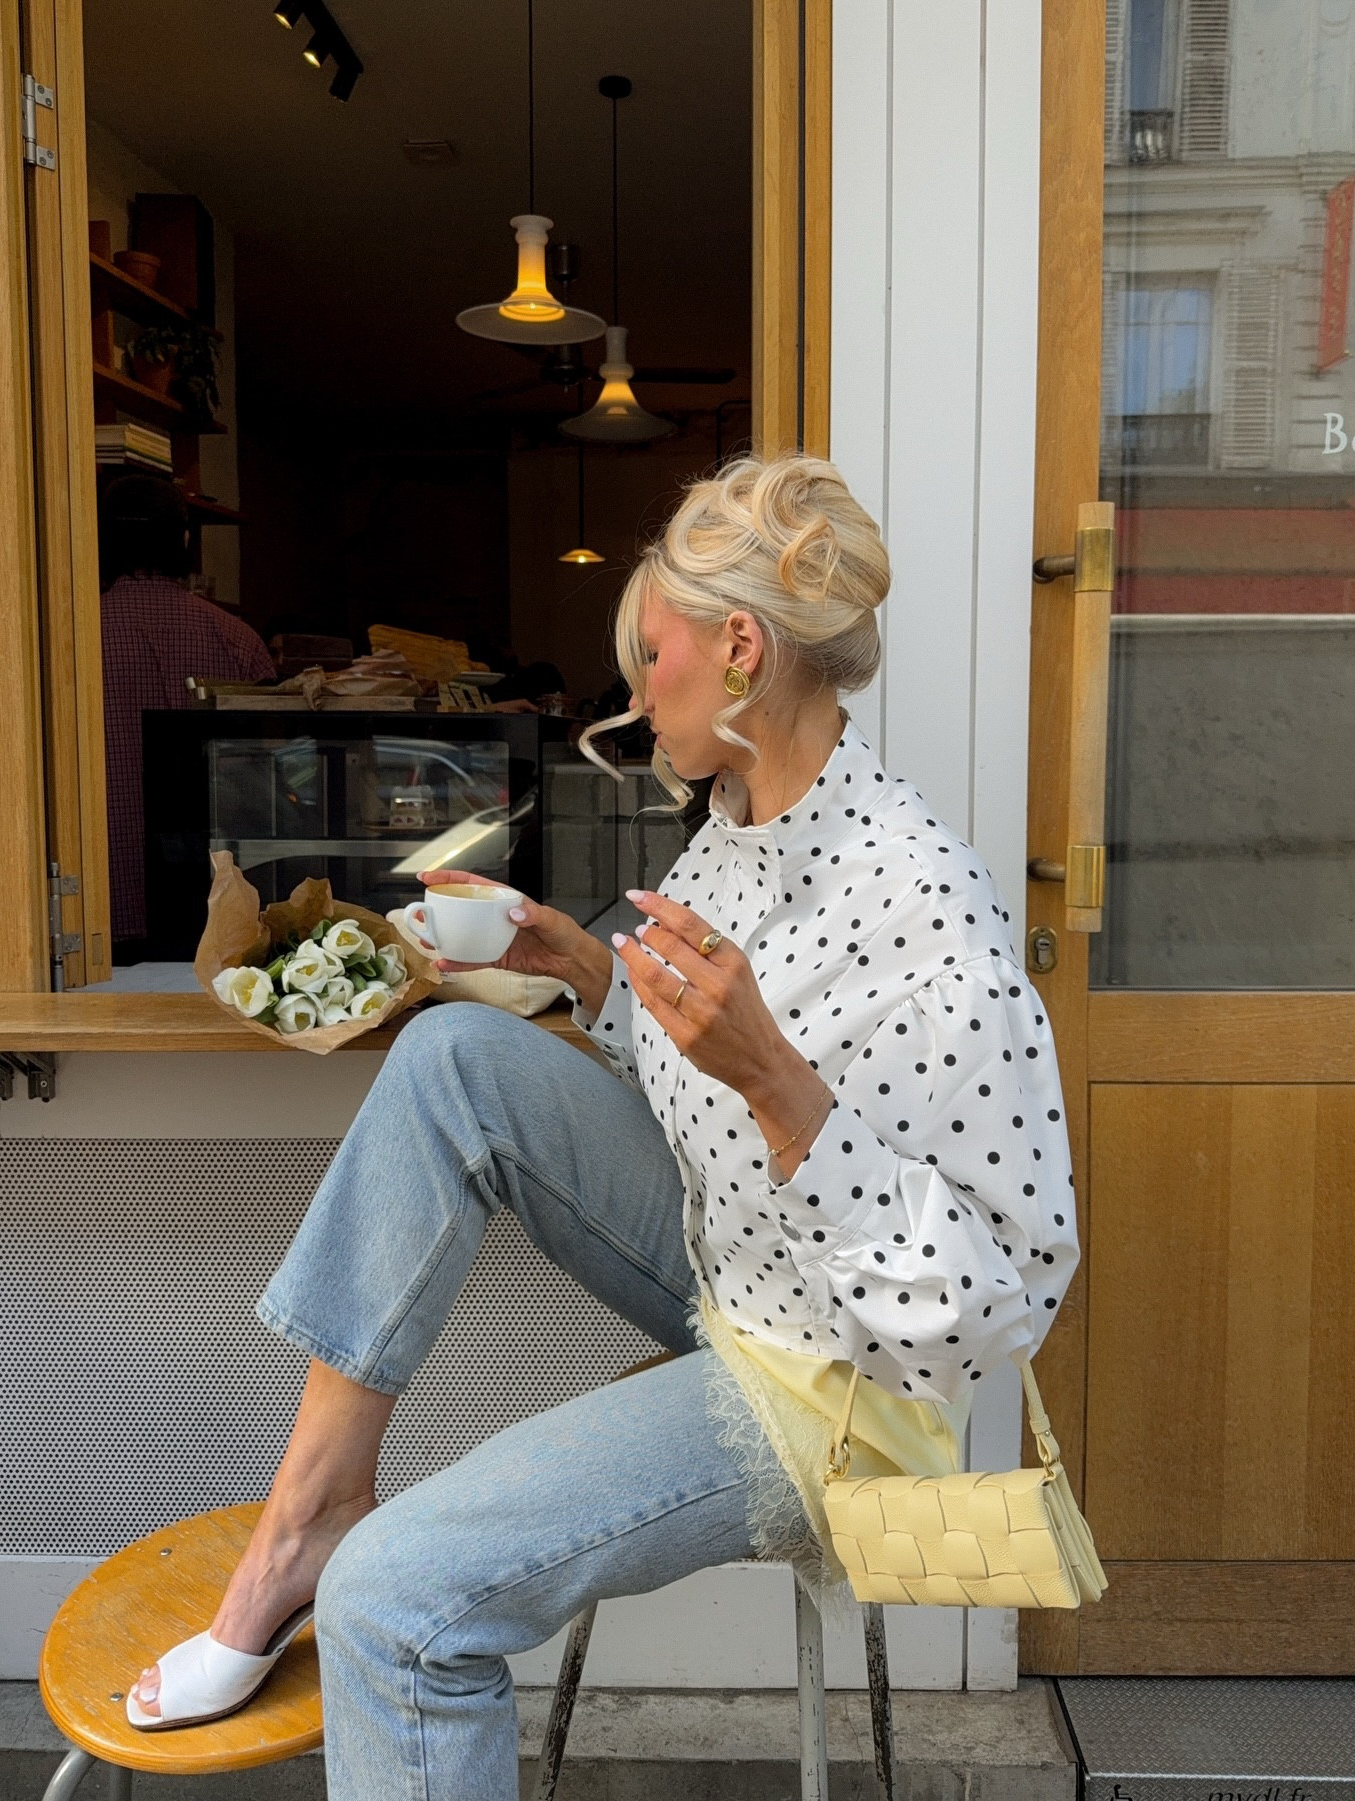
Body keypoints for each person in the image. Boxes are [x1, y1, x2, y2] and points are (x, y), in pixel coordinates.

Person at [126, 456, 1079, 1795]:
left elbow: (993, 1311)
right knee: (455, 1055)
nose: (633, 699)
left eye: (651, 657)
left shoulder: (929, 916)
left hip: (836, 1382)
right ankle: (311, 1510)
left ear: (739, 648)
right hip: (730, 1262)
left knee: (396, 1604)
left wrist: (785, 1090)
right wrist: (586, 970)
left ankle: (346, 1562)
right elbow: (686, 1089)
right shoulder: (735, 829)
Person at [98, 475, 275, 956]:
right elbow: (271, 777)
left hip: (97, 902)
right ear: (184, 541)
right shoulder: (237, 639)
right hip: (215, 901)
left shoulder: (67, 640)